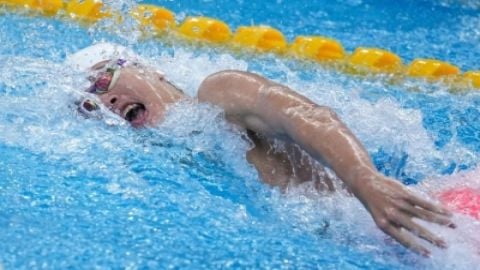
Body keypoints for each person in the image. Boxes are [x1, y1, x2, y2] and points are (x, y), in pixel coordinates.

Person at [71, 43, 455, 257]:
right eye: (89, 104)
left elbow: (306, 116)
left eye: (104, 79)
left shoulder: (219, 93)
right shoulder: (168, 160)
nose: (106, 99)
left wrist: (366, 181)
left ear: (148, 70)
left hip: (409, 217)